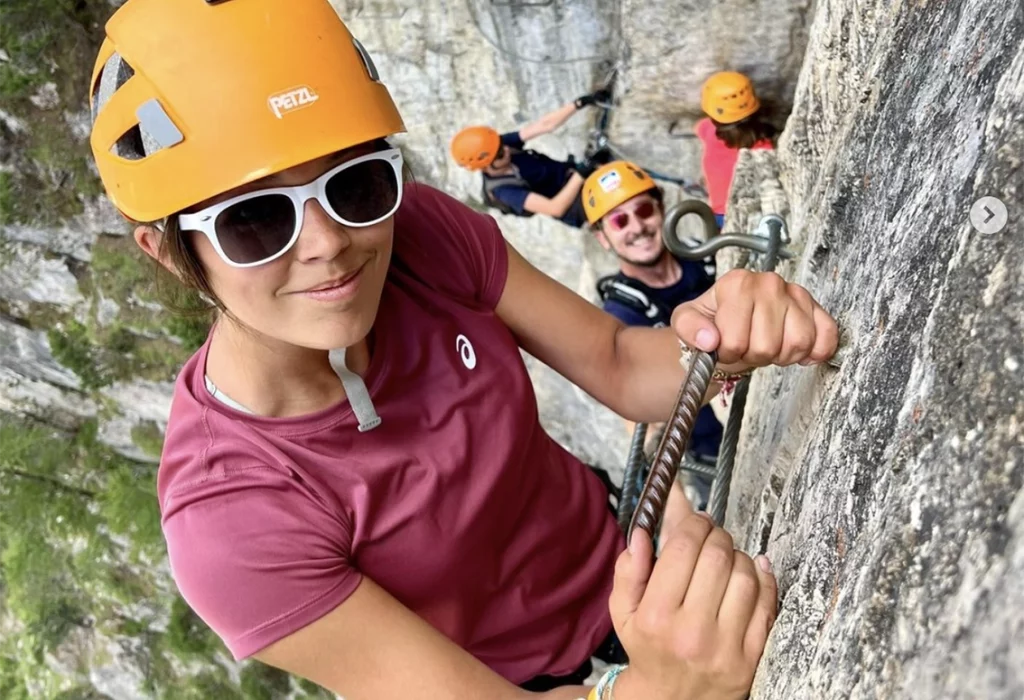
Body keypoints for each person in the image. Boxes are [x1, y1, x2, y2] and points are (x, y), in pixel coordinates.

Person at [88, 1, 839, 698]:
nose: (328, 247)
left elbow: (617, 359)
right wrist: (656, 689)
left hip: (629, 548)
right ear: (164, 248)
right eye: (253, 222)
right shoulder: (234, 523)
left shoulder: (420, 235)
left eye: (354, 186)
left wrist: (724, 333)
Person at [583, 161, 723, 507]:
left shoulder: (705, 257)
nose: (637, 227)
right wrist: (674, 503)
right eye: (619, 221)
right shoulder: (622, 316)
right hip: (712, 454)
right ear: (603, 237)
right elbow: (635, 410)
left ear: (661, 210)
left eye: (643, 210)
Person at [450, 89, 610, 228]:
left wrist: (580, 103)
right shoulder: (504, 191)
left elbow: (544, 125)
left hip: (574, 174)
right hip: (571, 202)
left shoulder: (497, 147)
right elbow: (555, 208)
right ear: (485, 166)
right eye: (499, 154)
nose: (505, 150)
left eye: (500, 144)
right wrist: (582, 173)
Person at [695, 71, 778, 229]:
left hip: (717, 216)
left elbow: (699, 128)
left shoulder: (708, 129)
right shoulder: (764, 148)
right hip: (747, 216)